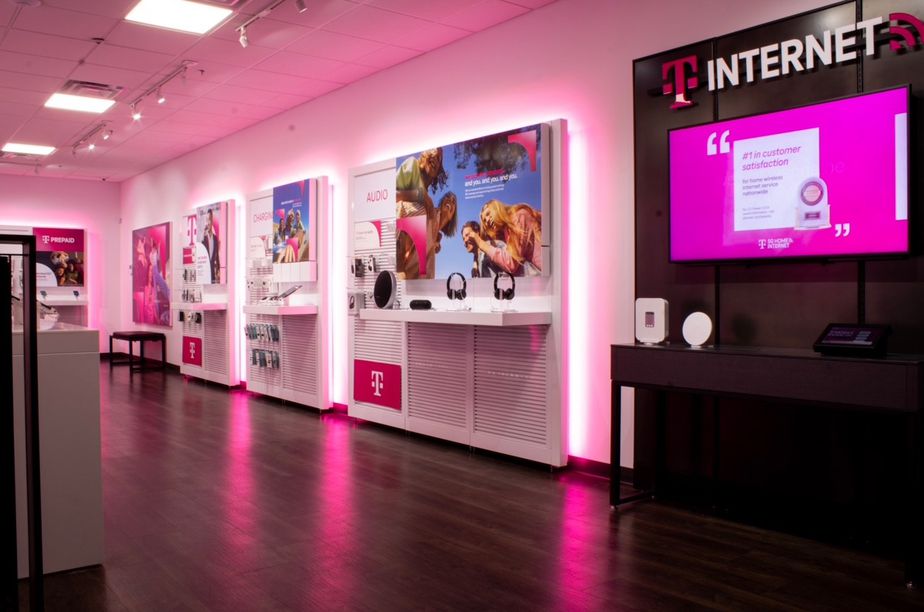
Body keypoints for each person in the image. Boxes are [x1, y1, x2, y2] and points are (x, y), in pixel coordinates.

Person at [467, 199, 542, 276]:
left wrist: (480, 243)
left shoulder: (518, 217)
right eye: (485, 221)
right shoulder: (506, 232)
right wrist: (475, 263)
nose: (487, 220)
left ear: (496, 208)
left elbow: (511, 263)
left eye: (488, 214)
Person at [202, 208, 221, 283]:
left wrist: (218, 269)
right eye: (207, 219)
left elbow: (217, 256)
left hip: (213, 276)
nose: (208, 222)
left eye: (210, 219)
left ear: (212, 221)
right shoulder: (203, 239)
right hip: (204, 275)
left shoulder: (215, 238)